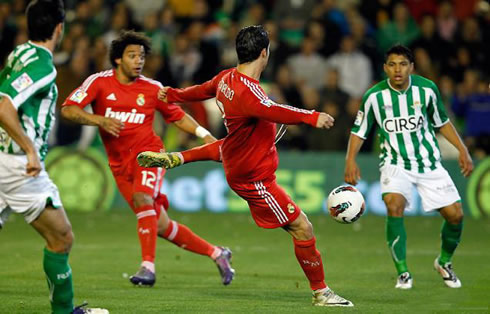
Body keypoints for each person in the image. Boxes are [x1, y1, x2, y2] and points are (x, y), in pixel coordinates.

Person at [138, 25, 353, 307]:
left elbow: (204, 89)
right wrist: (312, 117)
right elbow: (273, 109)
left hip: (240, 155)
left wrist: (176, 95)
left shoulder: (227, 78)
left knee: (232, 145)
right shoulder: (250, 94)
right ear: (264, 53)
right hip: (255, 179)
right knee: (303, 228)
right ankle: (322, 292)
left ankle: (180, 157)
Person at [60, 30, 234, 288]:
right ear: (118, 59)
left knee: (143, 199)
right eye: (132, 56)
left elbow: (177, 115)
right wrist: (99, 120)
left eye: (141, 56)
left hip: (149, 155)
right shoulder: (98, 82)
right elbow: (68, 109)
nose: (138, 61)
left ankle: (148, 268)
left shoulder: (153, 88)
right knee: (161, 225)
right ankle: (217, 253)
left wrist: (205, 136)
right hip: (119, 165)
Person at [0, 1, 107, 313]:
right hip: (20, 165)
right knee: (61, 237)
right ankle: (64, 311)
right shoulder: (43, 67)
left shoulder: (20, 53)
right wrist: (31, 148)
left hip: (4, 158)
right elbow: (4, 104)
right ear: (60, 28)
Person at [344, 44, 473, 289]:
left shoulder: (428, 90)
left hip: (428, 163)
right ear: (385, 68)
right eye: (392, 64)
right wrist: (350, 160)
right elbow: (359, 131)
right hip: (394, 163)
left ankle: (444, 262)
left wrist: (462, 150)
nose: (397, 70)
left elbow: (442, 123)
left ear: (411, 67)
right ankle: (403, 271)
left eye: (403, 64)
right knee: (394, 205)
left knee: (456, 216)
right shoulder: (374, 96)